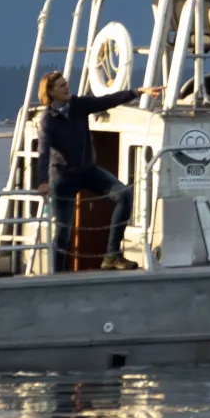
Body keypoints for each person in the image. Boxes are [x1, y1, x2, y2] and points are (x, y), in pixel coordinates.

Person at [34, 70, 142, 269]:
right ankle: (57, 275)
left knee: (124, 194)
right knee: (62, 231)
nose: (67, 87)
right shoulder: (47, 120)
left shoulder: (78, 105)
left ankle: (111, 255)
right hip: (63, 176)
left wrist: (137, 92)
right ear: (51, 93)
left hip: (87, 170)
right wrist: (42, 181)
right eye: (61, 86)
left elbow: (107, 101)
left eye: (66, 83)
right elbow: (43, 152)